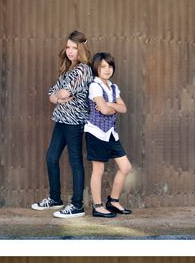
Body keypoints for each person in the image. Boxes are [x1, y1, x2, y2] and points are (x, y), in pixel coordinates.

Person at [31, 30, 92, 218]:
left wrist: (62, 95)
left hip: (74, 122)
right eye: (68, 47)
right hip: (61, 120)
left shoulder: (83, 69)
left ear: (81, 49)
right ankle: (55, 198)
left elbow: (64, 93)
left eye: (74, 48)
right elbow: (54, 94)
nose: (70, 51)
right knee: (51, 158)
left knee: (75, 162)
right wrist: (60, 97)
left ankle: (77, 205)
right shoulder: (68, 69)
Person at [84, 53, 132, 218]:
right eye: (103, 66)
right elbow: (103, 111)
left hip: (111, 133)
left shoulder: (113, 87)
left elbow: (123, 108)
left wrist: (110, 104)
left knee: (125, 167)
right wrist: (113, 107)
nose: (107, 70)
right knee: (98, 170)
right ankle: (97, 206)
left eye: (110, 66)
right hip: (96, 132)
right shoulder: (94, 86)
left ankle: (113, 201)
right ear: (96, 68)